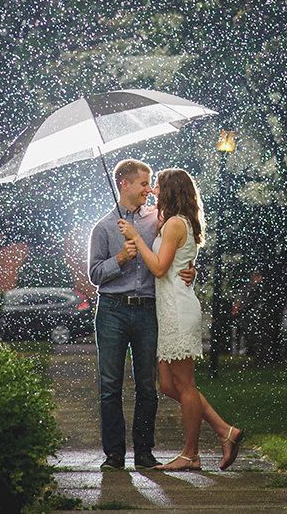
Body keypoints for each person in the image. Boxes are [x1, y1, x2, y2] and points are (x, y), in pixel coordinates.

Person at [119, 167, 244, 472]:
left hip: (177, 309)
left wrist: (136, 236)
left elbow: (160, 269)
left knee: (185, 385)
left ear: (171, 190)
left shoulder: (175, 224)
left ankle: (191, 454)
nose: (153, 190)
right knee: (168, 385)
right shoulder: (170, 222)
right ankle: (224, 429)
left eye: (158, 186)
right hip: (168, 309)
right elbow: (175, 262)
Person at [87, 159, 195, 471]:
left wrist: (191, 270)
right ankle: (114, 455)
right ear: (124, 183)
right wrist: (120, 258)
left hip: (148, 310)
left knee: (147, 385)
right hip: (112, 310)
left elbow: (176, 252)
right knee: (110, 385)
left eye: (150, 184)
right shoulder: (104, 227)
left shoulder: (157, 222)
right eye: (144, 184)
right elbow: (94, 274)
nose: (149, 190)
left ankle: (145, 453)